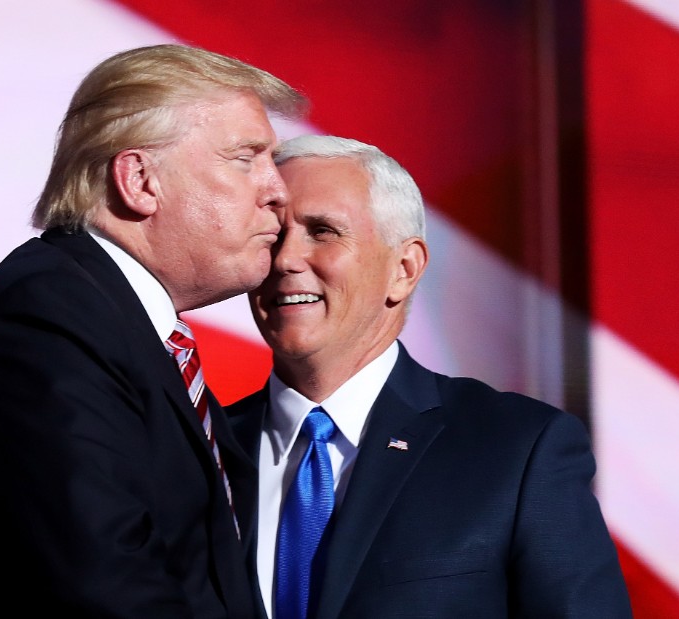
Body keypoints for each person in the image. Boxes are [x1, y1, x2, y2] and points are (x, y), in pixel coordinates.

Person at [0, 44, 306, 618]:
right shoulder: (44, 320)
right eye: (246, 158)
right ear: (140, 180)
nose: (277, 191)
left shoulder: (112, 324)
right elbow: (103, 588)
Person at [227, 135, 632, 619]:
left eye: (322, 231)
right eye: (271, 235)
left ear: (404, 268)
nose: (286, 259)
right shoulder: (195, 447)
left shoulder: (518, 449)